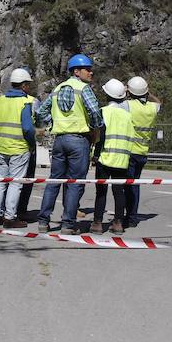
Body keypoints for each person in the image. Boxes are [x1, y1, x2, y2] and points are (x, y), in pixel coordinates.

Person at [34, 53, 104, 234]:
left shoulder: (57, 89)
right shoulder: (83, 89)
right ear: (77, 71)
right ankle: (67, 224)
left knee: (54, 180)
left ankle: (43, 222)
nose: (91, 73)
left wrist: (54, 123)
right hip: (79, 141)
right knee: (74, 183)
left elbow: (40, 113)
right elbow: (95, 112)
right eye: (87, 70)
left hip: (59, 141)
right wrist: (95, 127)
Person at [0, 68, 36, 229]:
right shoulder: (24, 103)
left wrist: (1, 137)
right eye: (28, 84)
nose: (29, 87)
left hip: (2, 148)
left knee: (0, 182)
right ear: (23, 86)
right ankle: (10, 217)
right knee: (16, 184)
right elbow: (28, 129)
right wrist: (30, 144)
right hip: (19, 149)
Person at [90, 79, 134, 234]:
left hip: (105, 157)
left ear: (107, 95)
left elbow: (99, 137)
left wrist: (95, 155)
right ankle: (118, 223)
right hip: (122, 159)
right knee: (118, 191)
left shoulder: (103, 112)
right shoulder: (128, 116)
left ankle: (97, 223)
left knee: (101, 192)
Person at [125, 76, 162, 227]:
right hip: (142, 152)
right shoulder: (153, 108)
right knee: (135, 185)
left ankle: (128, 217)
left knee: (126, 185)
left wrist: (126, 91)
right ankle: (132, 216)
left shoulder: (128, 105)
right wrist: (148, 92)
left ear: (130, 92)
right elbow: (159, 102)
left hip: (129, 151)